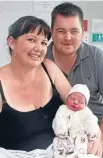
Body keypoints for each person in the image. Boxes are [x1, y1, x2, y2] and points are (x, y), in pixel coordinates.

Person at [0, 16, 72, 158]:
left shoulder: (49, 67)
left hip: (59, 150)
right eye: (31, 40)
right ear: (12, 42)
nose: (39, 48)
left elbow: (77, 102)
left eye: (44, 43)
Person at [46, 2, 103, 156]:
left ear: (82, 32)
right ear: (52, 32)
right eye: (61, 31)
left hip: (92, 126)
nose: (68, 37)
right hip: (57, 131)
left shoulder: (97, 57)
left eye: (74, 31)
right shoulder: (41, 58)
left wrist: (100, 138)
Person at [52, 84, 100, 158]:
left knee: (82, 145)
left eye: (80, 102)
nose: (76, 102)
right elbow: (58, 120)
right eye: (73, 98)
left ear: (85, 105)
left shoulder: (86, 112)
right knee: (59, 146)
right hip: (64, 136)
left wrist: (92, 133)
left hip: (80, 135)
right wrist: (60, 131)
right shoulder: (62, 109)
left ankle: (79, 155)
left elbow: (91, 121)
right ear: (67, 98)